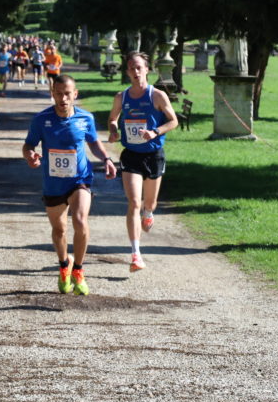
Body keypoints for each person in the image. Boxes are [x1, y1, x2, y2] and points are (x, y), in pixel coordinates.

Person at [23, 75, 117, 295]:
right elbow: (28, 145)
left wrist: (106, 159)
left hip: (80, 179)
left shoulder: (85, 118)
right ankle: (64, 264)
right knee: (59, 229)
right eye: (58, 93)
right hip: (53, 183)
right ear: (52, 94)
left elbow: (93, 142)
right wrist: (30, 156)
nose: (63, 98)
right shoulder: (41, 119)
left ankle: (79, 270)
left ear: (75, 94)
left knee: (80, 220)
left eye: (67, 94)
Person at [107, 52, 178, 272]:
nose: (135, 71)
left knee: (150, 203)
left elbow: (173, 121)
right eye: (131, 68)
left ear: (147, 69)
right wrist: (113, 130)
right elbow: (112, 118)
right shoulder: (121, 97)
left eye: (139, 67)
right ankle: (136, 254)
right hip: (131, 155)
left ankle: (149, 213)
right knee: (134, 203)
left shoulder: (157, 96)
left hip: (153, 155)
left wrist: (155, 132)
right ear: (127, 71)